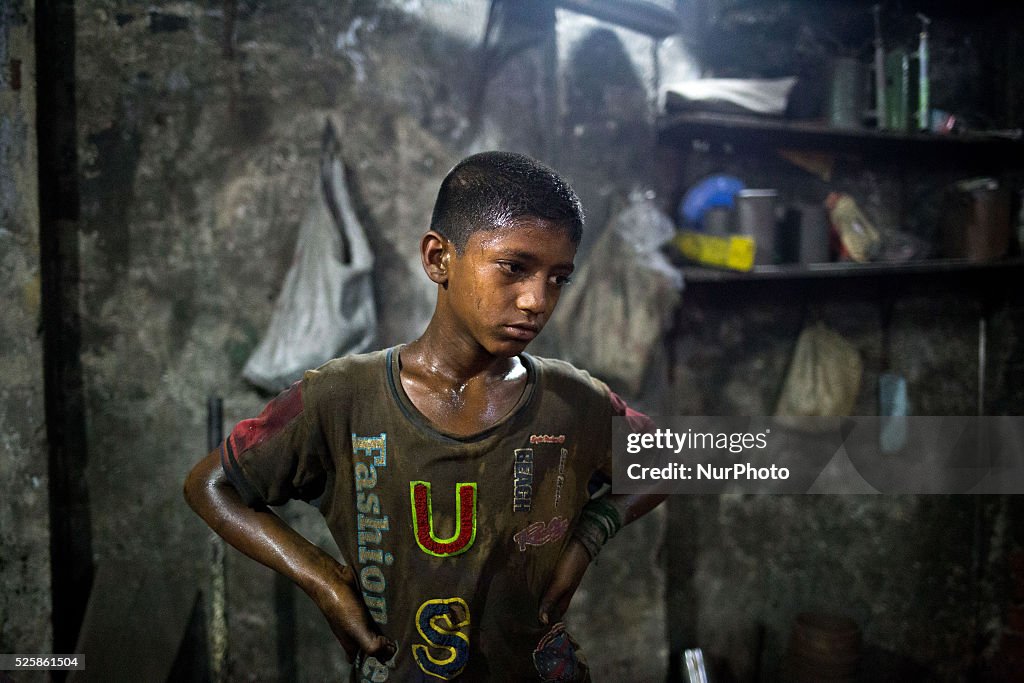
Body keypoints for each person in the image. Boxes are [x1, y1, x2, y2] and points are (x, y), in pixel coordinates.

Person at [184, 151, 665, 681]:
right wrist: (322, 578)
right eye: (515, 268)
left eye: (559, 278)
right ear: (439, 259)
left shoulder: (573, 400)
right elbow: (211, 486)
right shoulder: (343, 396)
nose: (536, 300)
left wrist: (586, 539)